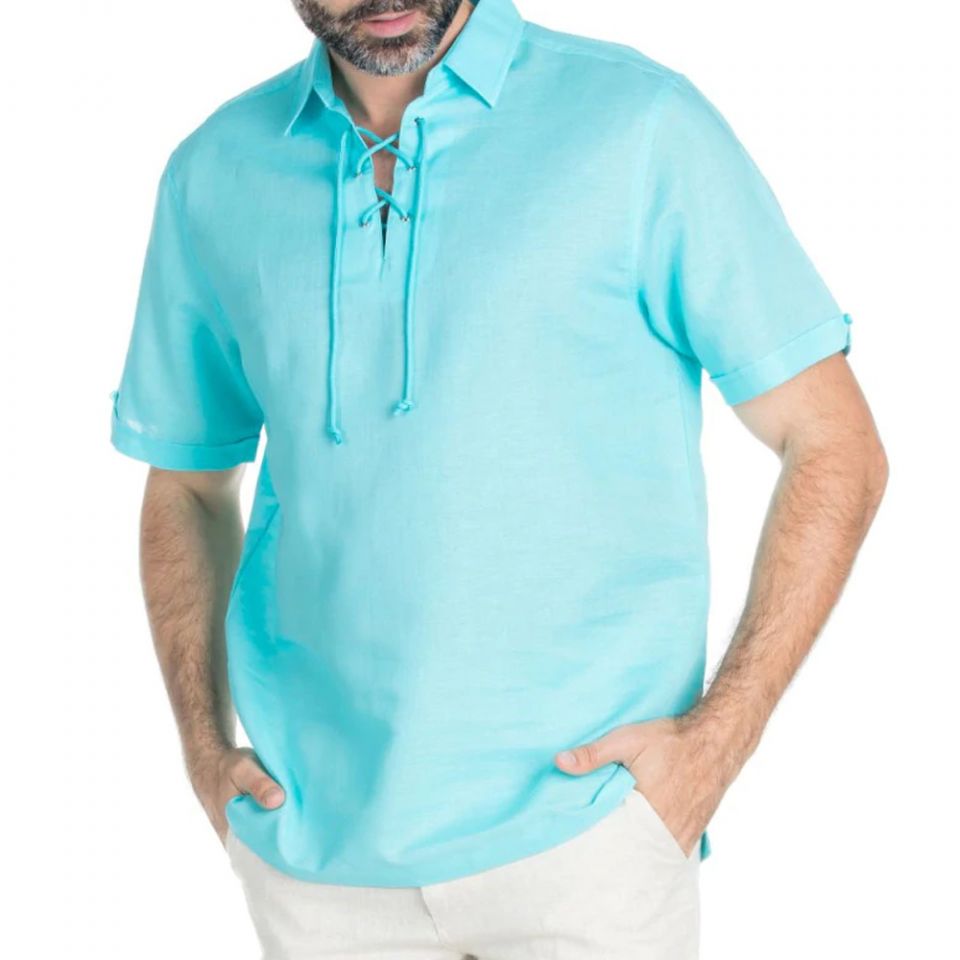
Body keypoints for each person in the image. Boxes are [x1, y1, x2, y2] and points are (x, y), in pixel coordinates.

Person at [109, 0, 888, 956]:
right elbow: (186, 486)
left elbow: (833, 443)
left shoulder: (640, 125)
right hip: (313, 865)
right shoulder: (214, 172)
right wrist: (201, 748)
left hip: (590, 840)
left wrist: (716, 744)